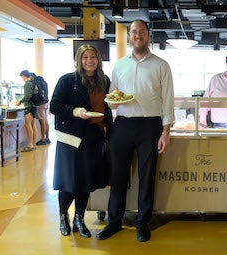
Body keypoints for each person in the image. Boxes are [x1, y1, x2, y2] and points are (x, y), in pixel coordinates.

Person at [95, 19, 174, 242]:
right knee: (118, 175)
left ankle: (142, 222)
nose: (137, 35)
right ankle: (114, 221)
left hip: (151, 125)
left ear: (148, 35)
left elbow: (167, 100)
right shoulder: (120, 65)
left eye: (141, 32)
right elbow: (113, 97)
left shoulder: (161, 65)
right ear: (129, 36)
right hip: (123, 124)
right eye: (133, 32)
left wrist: (165, 132)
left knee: (147, 176)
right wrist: (112, 102)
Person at [49, 44, 113, 238]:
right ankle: (63, 217)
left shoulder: (104, 80)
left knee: (86, 181)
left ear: (98, 60)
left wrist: (109, 129)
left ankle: (79, 218)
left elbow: (106, 107)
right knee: (69, 181)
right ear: (79, 60)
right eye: (85, 57)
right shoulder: (68, 80)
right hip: (71, 138)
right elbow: (55, 106)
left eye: (92, 57)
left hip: (93, 136)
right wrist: (76, 112)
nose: (89, 61)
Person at [16, 70, 37, 152]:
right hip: (34, 106)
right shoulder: (33, 82)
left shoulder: (27, 83)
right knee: (32, 125)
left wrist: (20, 101)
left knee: (28, 125)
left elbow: (27, 96)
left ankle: (29, 145)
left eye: (22, 77)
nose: (22, 79)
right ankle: (34, 144)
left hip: (29, 106)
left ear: (24, 76)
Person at [31, 73, 51, 146]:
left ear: (31, 77)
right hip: (45, 102)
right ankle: (47, 138)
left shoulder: (35, 82)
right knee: (45, 120)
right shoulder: (43, 81)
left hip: (39, 104)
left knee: (41, 121)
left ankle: (42, 139)